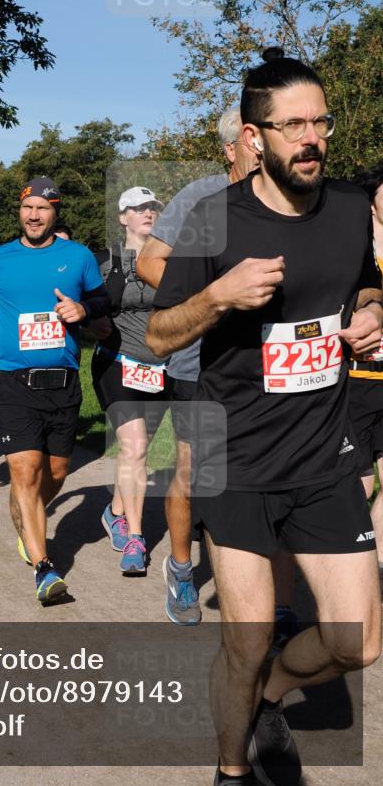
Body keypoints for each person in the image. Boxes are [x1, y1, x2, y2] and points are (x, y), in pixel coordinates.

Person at [146, 49, 382, 786]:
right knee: (243, 643)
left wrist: (372, 316)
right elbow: (157, 335)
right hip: (235, 458)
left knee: (362, 641)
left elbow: (369, 286)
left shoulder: (348, 209)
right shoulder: (214, 222)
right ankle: (229, 770)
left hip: (324, 455)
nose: (311, 138)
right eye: (292, 126)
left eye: (321, 122)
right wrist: (218, 297)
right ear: (255, 138)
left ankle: (277, 693)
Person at [0, 177, 111, 604]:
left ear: (55, 212)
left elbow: (101, 302)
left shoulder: (77, 257)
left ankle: (27, 516)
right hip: (13, 381)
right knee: (25, 472)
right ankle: (44, 568)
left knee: (56, 473)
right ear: (19, 212)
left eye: (43, 208)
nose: (34, 215)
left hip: (62, 383)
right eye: (27, 207)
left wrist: (83, 309)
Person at [137, 107, 258, 625]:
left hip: (263, 362)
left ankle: (271, 594)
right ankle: (183, 570)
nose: (264, 153)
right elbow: (147, 263)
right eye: (254, 143)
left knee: (257, 473)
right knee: (189, 472)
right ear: (232, 149)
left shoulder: (289, 202)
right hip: (195, 360)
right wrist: (207, 301)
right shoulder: (200, 198)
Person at [90, 186, 168, 576]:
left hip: (161, 369)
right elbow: (81, 304)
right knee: (135, 446)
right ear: (122, 218)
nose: (147, 213)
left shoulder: (172, 258)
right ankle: (136, 539)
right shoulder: (103, 262)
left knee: (134, 453)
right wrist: (91, 321)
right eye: (138, 208)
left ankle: (115, 512)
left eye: (152, 206)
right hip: (116, 363)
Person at [350, 162, 383, 576]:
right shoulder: (354, 247)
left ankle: (376, 572)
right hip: (355, 380)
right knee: (357, 484)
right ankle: (350, 564)